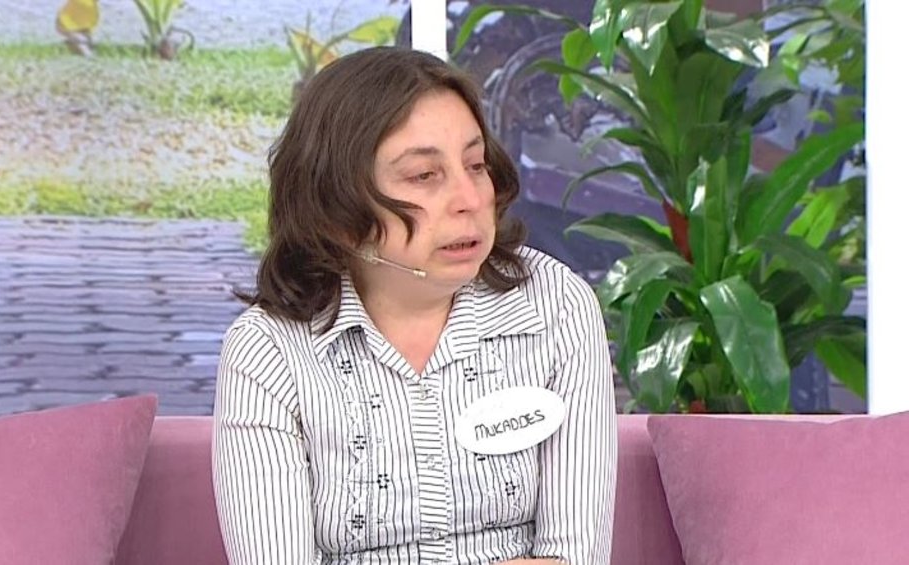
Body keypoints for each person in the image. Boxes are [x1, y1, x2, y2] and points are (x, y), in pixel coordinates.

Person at [212, 46, 617, 564]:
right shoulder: (267, 351)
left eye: (475, 165)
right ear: (335, 208)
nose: (469, 199)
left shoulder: (556, 307)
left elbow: (576, 555)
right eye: (424, 175)